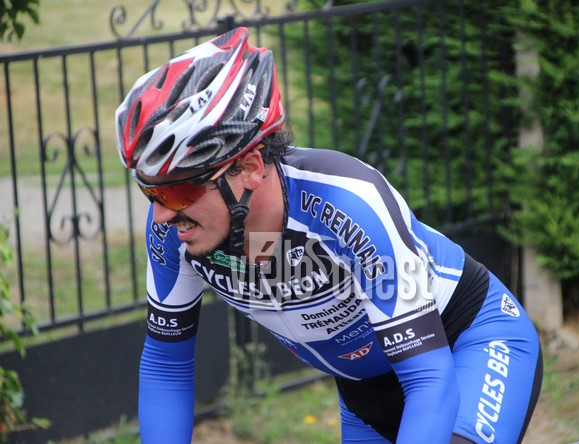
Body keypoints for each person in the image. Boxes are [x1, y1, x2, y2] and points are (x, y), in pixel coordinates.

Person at [115, 27, 542, 443]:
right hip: (363, 392)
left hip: (462, 343)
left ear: (249, 168)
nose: (162, 215)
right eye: (151, 192)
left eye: (178, 191)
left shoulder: (351, 203)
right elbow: (166, 366)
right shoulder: (175, 232)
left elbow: (429, 378)